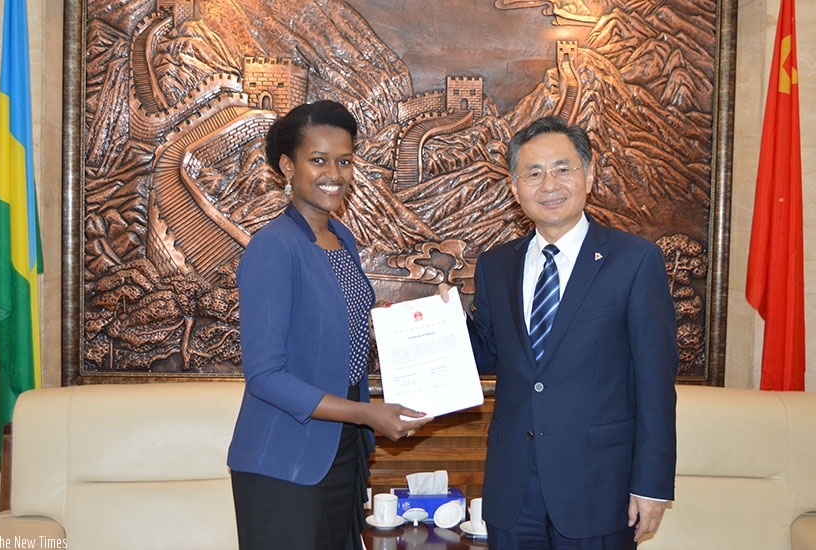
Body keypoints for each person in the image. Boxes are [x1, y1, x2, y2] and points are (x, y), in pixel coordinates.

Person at [453, 116, 678, 549]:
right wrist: (440, 327)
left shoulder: (634, 261)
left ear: (589, 176)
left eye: (563, 169)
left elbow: (655, 383)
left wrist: (651, 485)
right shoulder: (496, 265)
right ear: (515, 189)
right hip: (513, 485)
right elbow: (489, 352)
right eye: (533, 174)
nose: (549, 184)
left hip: (600, 485)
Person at [228, 100, 432, 550]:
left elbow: (343, 328)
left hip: (343, 451)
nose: (334, 174)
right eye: (318, 160)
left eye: (344, 161)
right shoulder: (272, 248)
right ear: (287, 166)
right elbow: (265, 376)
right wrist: (368, 414)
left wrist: (424, 323)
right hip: (284, 460)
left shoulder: (341, 237)